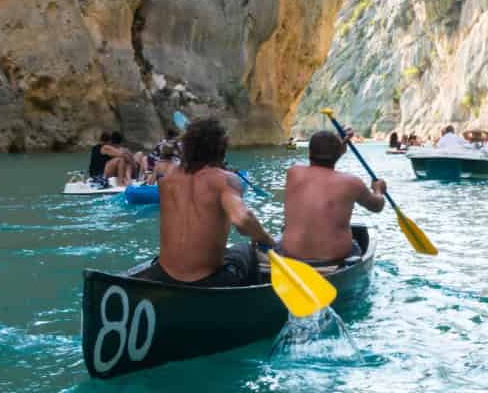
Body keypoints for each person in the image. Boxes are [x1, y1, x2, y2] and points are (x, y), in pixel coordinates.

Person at [139, 117, 276, 287]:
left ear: (187, 147)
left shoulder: (166, 178)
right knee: (246, 250)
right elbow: (241, 220)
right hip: (205, 281)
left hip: (163, 275)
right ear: (221, 148)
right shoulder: (225, 180)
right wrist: (265, 239)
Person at [279, 133, 385, 264]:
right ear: (338, 154)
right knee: (357, 245)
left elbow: (320, 168)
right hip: (334, 258)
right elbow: (377, 206)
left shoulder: (293, 173)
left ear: (309, 152)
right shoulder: (352, 183)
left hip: (291, 254)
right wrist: (378, 190)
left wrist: (338, 150)